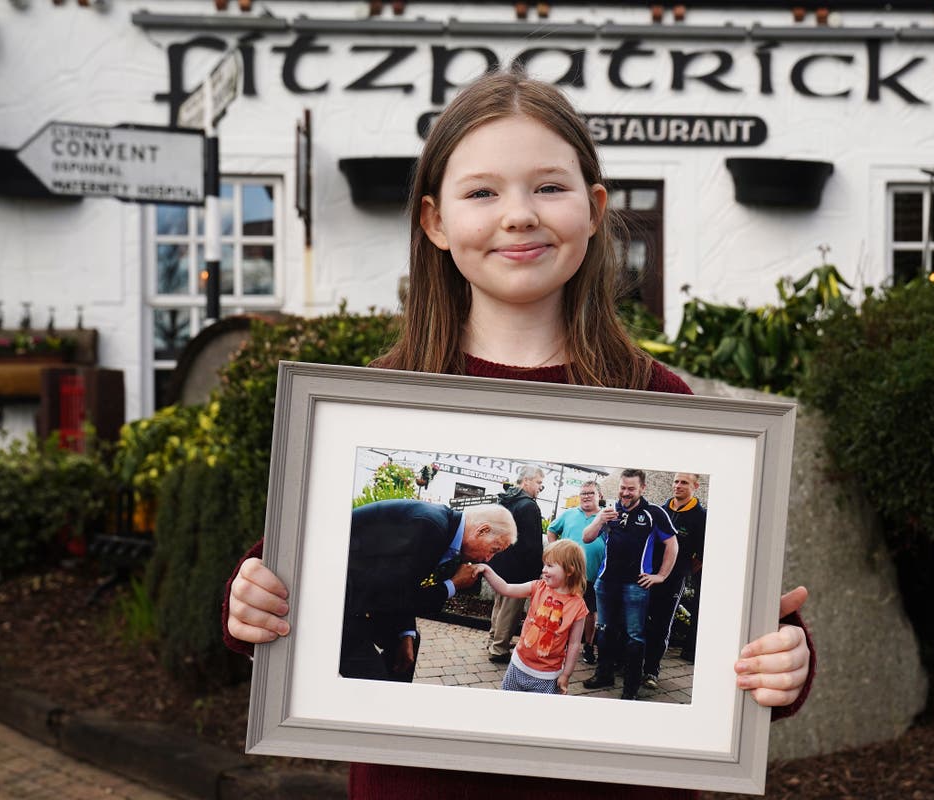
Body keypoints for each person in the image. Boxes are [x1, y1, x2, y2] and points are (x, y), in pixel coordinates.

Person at [223, 67, 814, 800]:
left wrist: (782, 663)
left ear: (594, 209)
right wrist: (252, 602)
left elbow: (740, 613)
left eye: (549, 187)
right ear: (435, 221)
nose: (519, 215)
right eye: (482, 192)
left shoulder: (662, 401)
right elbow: (292, 570)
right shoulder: (373, 398)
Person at [340, 500, 517, 682]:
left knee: (409, 641)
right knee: (373, 677)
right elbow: (392, 595)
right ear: (482, 530)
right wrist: (453, 584)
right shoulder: (430, 527)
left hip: (363, 595)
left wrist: (406, 633)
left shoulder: (443, 528)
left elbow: (402, 585)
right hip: (339, 599)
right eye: (493, 550)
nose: (488, 559)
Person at [580, 469, 677, 700]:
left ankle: (630, 688)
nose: (625, 493)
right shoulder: (610, 510)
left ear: (642, 488)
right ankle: (604, 674)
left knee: (635, 636)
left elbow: (672, 544)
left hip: (636, 585)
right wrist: (600, 520)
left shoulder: (654, 513)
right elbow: (587, 537)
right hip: (606, 582)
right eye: (623, 488)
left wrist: (661, 576)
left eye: (631, 489)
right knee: (604, 629)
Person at [475, 539, 589, 694]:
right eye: (544, 565)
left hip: (547, 676)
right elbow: (506, 588)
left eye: (550, 565)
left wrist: (566, 675)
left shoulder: (578, 606)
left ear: (569, 570)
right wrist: (486, 570)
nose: (544, 570)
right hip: (518, 665)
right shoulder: (538, 586)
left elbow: (575, 644)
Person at [642, 472, 707, 688]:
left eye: (684, 482)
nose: (678, 485)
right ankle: (633, 663)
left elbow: (701, 555)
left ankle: (651, 671)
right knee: (642, 620)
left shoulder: (701, 517)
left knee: (662, 624)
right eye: (676, 481)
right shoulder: (661, 510)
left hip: (673, 581)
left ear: (695, 486)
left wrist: (682, 571)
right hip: (649, 575)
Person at [486, 465, 545, 663]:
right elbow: (532, 543)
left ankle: (493, 639)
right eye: (538, 482)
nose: (540, 487)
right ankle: (499, 649)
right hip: (519, 566)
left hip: (501, 562)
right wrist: (537, 570)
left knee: (499, 604)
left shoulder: (506, 499)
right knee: (510, 609)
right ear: (526, 481)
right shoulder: (529, 506)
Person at [546, 480, 605, 664]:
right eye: (583, 493)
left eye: (591, 493)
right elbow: (551, 530)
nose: (586, 496)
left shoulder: (605, 517)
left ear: (599, 496)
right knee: (562, 608)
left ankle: (588, 646)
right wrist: (555, 552)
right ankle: (558, 644)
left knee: (590, 612)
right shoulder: (569, 514)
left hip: (593, 574)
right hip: (568, 575)